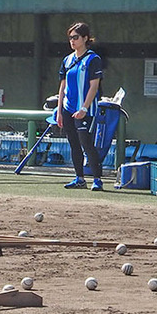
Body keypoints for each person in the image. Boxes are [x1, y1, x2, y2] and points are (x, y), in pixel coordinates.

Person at [57, 21, 104, 191]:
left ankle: (97, 178)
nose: (72, 41)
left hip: (86, 110)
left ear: (85, 38)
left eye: (75, 37)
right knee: (73, 144)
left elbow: (94, 86)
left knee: (87, 143)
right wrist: (60, 111)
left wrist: (84, 108)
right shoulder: (67, 60)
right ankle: (79, 178)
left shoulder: (93, 59)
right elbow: (63, 85)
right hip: (68, 108)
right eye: (70, 38)